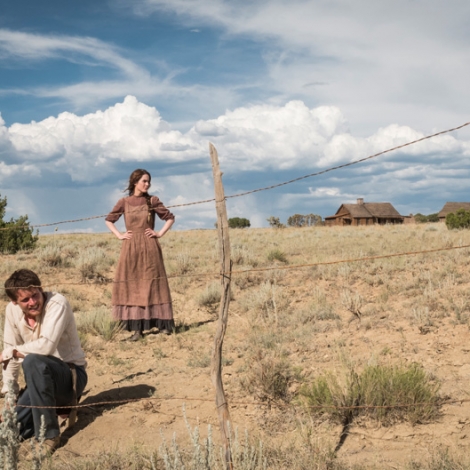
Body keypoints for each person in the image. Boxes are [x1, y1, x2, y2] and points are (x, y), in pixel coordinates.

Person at [0, 269, 87, 452]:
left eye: (35, 295)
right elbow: (10, 358)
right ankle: (20, 424)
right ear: (15, 302)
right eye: (25, 300)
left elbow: (46, 347)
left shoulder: (57, 303)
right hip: (39, 383)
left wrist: (13, 351)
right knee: (12, 429)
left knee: (32, 361)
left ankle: (49, 436)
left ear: (41, 289)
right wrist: (10, 397)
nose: (33, 302)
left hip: (70, 377)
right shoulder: (11, 311)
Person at [105, 168, 175, 341]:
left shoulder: (152, 201)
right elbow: (109, 220)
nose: (147, 184)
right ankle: (137, 330)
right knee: (133, 286)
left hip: (150, 246)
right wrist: (120, 235)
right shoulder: (124, 202)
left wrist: (159, 233)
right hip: (130, 248)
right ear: (134, 182)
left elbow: (170, 218)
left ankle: (162, 325)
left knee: (153, 284)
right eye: (144, 181)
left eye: (149, 181)